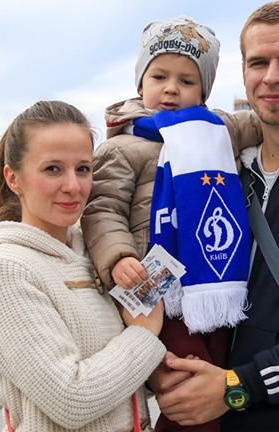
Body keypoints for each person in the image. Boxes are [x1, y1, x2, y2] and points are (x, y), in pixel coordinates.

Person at [81, 16, 261, 432]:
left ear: (204, 91)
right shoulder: (124, 146)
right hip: (158, 296)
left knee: (219, 378)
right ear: (140, 83)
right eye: (159, 75)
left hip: (219, 288)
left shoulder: (217, 130)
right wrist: (118, 258)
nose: (171, 89)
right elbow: (102, 210)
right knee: (185, 385)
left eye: (186, 80)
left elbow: (260, 122)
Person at [0, 100, 167, 431]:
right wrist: (143, 334)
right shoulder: (6, 269)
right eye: (53, 169)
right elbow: (71, 399)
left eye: (83, 168)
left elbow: (122, 379)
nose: (73, 185)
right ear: (13, 179)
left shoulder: (95, 253)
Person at [150, 3, 279, 432]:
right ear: (243, 73)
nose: (272, 77)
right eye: (259, 62)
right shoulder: (223, 171)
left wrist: (236, 386)